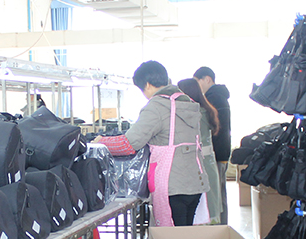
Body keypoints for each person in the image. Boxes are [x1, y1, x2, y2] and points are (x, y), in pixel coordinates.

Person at [96, 61, 209, 226]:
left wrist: (101, 143)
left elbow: (129, 143)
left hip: (172, 184)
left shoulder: (157, 106)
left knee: (171, 236)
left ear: (147, 84)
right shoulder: (186, 103)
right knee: (185, 234)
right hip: (195, 181)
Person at [177, 78, 222, 225]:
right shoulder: (208, 110)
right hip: (209, 162)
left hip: (197, 164)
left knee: (200, 209)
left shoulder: (191, 114)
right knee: (211, 206)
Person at [195, 66, 232, 225]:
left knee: (217, 195)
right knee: (219, 193)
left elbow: (215, 130)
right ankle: (221, 226)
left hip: (216, 153)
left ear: (207, 79)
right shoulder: (219, 97)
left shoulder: (213, 98)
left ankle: (220, 227)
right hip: (221, 151)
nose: (198, 87)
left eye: (198, 82)